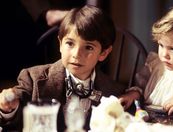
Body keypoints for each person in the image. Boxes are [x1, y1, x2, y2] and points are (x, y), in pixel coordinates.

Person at [0, 5, 136, 131]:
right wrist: (8, 108)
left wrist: (137, 93)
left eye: (88, 47)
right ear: (60, 44)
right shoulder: (34, 79)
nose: (76, 55)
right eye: (70, 43)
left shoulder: (114, 92)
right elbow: (13, 120)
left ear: (103, 53)